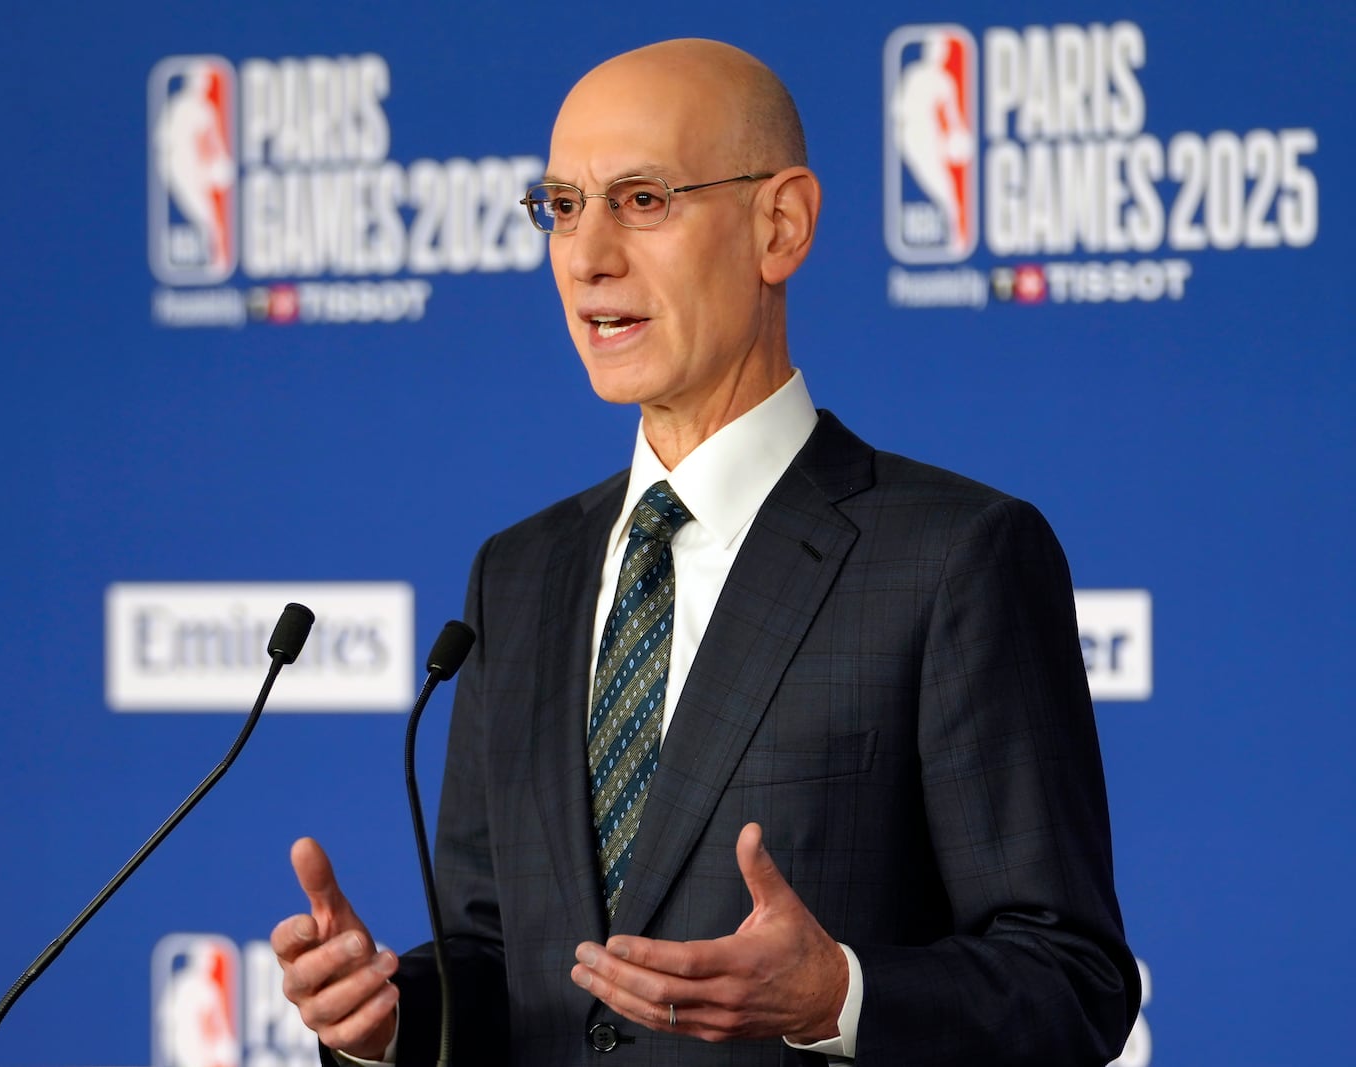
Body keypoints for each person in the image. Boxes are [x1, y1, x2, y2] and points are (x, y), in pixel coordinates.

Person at [271, 38, 1139, 1066]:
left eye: (642, 201)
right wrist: (391, 1015)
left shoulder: (955, 556)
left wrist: (838, 995)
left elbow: (1068, 979)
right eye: (560, 205)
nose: (588, 254)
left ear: (780, 225)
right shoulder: (518, 573)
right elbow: (495, 955)